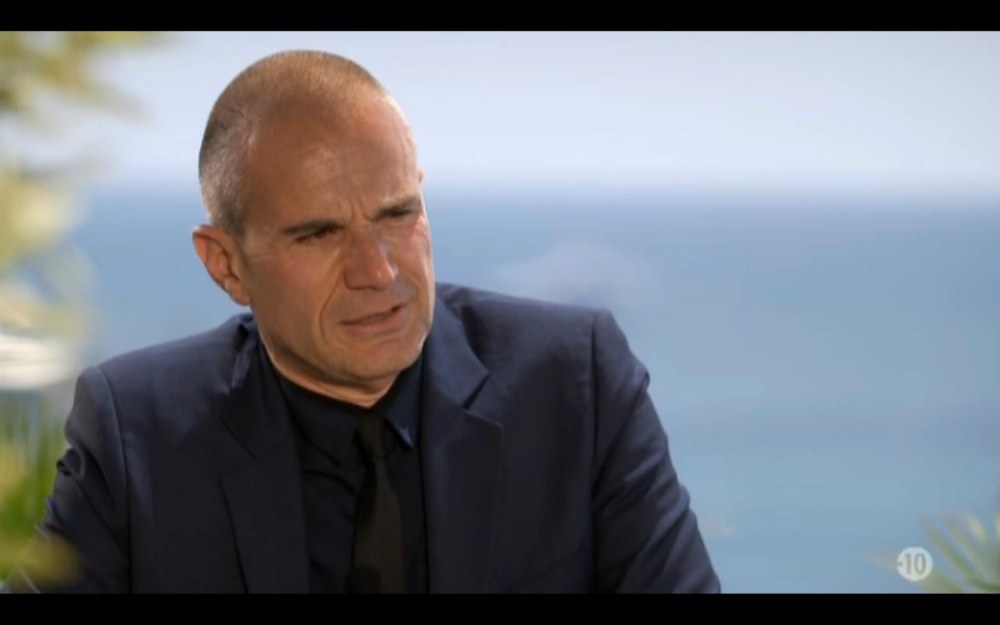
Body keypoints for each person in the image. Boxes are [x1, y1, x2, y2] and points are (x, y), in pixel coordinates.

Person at [6, 50, 720, 593]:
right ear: (226, 264)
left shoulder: (577, 385)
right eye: (319, 234)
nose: (378, 271)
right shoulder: (137, 433)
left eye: (398, 214)